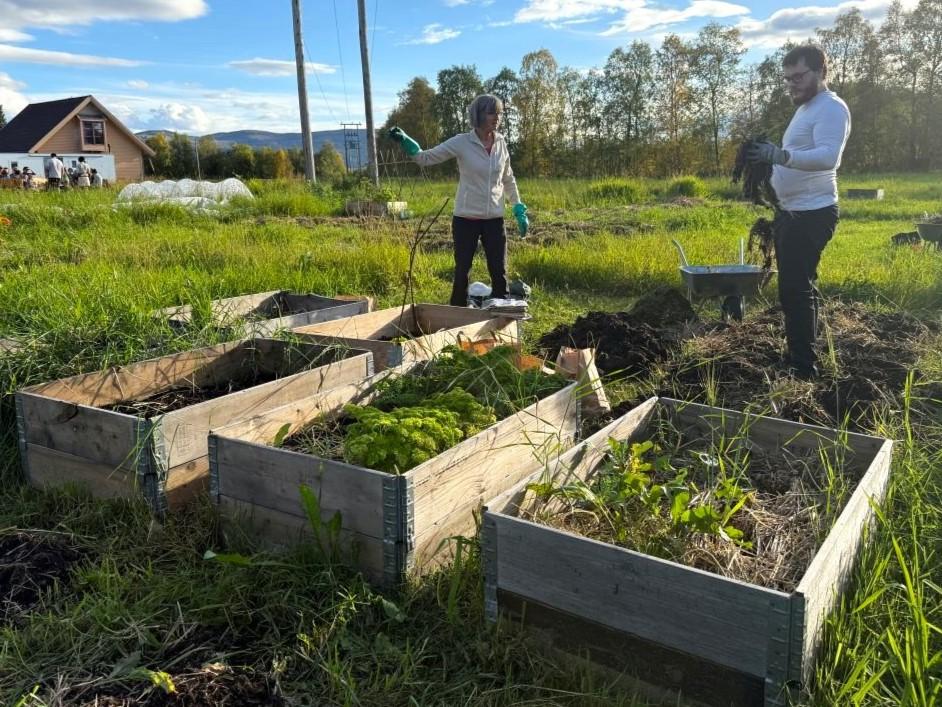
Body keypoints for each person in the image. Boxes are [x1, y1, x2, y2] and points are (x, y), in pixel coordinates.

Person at [747, 44, 851, 380]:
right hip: (792, 212)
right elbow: (796, 153)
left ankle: (802, 368)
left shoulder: (831, 108)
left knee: (794, 288)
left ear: (821, 71)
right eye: (788, 79)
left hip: (811, 214)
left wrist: (779, 156)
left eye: (799, 77)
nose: (792, 84)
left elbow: (827, 158)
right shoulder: (806, 108)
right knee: (801, 284)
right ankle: (805, 351)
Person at [388, 94, 529, 307]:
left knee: (499, 271)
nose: (497, 117)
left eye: (499, 113)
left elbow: (508, 178)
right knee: (462, 270)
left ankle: (503, 317)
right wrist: (408, 142)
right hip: (466, 219)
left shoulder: (501, 143)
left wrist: (518, 207)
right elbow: (426, 158)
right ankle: (457, 313)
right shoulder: (462, 142)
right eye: (492, 112)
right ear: (479, 115)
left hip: (494, 219)